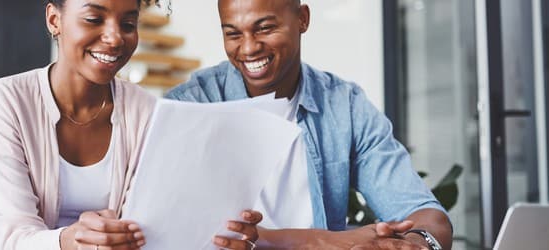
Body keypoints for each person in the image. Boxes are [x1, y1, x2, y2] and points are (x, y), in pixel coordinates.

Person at [0, 0, 262, 249]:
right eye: (94, 19)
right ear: (54, 19)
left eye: (127, 24)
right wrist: (70, 241)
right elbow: (10, 236)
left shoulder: (147, 113)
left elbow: (155, 229)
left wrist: (220, 236)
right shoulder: (5, 102)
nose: (115, 38)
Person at [165, 0, 453, 249]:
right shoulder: (191, 106)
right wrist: (318, 241)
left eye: (265, 28)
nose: (249, 48)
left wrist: (417, 244)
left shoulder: (344, 105)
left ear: (302, 19)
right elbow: (172, 230)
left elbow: (425, 214)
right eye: (233, 34)